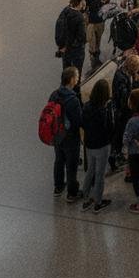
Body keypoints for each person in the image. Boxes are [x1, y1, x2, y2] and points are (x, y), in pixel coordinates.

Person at [81, 76, 114, 213]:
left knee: (90, 171)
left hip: (89, 144)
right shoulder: (104, 111)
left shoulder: (87, 106)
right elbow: (110, 129)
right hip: (102, 145)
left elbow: (82, 123)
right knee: (100, 174)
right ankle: (98, 202)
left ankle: (85, 199)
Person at [51, 66, 83, 203]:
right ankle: (72, 193)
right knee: (71, 165)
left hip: (57, 134)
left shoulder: (54, 94)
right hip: (70, 137)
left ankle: (58, 187)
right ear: (71, 80)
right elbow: (78, 121)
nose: (78, 79)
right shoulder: (73, 100)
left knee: (59, 160)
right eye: (76, 77)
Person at [77, 0, 111, 71]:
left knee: (98, 40)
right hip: (90, 20)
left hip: (101, 18)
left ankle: (97, 56)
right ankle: (93, 63)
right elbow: (77, 2)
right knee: (91, 41)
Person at [55, 0, 88, 79]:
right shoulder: (79, 17)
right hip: (76, 52)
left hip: (65, 50)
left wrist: (63, 46)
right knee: (76, 74)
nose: (85, 2)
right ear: (80, 1)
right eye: (84, 0)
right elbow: (82, 38)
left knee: (66, 73)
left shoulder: (65, 10)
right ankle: (75, 92)